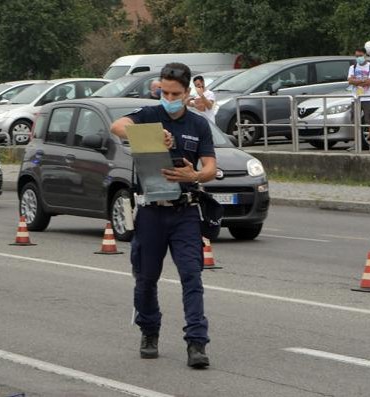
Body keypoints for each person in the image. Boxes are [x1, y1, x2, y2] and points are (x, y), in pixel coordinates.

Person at [110, 62, 216, 369]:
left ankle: (196, 343)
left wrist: (194, 175)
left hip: (185, 212)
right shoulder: (149, 115)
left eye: (175, 93)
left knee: (191, 277)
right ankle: (149, 331)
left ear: (186, 94)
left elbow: (210, 167)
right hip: (150, 213)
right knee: (145, 280)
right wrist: (151, 136)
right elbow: (116, 127)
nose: (169, 97)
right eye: (164, 91)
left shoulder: (198, 125)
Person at [348, 48, 370, 151]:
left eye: (360, 55)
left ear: (365, 55)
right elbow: (350, 81)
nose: (358, 58)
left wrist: (357, 81)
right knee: (355, 121)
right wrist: (362, 80)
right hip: (356, 98)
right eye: (356, 56)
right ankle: (357, 143)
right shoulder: (353, 67)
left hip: (368, 98)